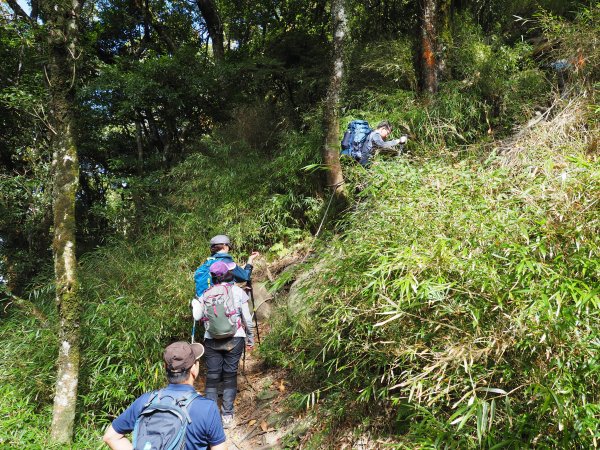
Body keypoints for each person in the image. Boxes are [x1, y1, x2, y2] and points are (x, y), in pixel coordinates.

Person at [103, 341, 227, 450]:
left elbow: (111, 437)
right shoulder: (207, 408)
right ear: (194, 369)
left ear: (165, 367)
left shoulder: (146, 400)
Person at [191, 261, 255, 429]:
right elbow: (247, 319)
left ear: (212, 277)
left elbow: (197, 317)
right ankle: (227, 414)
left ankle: (210, 417)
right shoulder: (237, 291)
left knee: (212, 376)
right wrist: (250, 339)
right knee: (229, 375)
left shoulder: (205, 294)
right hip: (235, 338)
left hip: (211, 340)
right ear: (228, 274)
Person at [194, 234, 259, 297]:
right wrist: (250, 259)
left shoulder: (207, 263)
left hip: (205, 301)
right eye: (228, 246)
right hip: (222, 301)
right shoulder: (227, 262)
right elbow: (245, 276)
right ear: (224, 246)